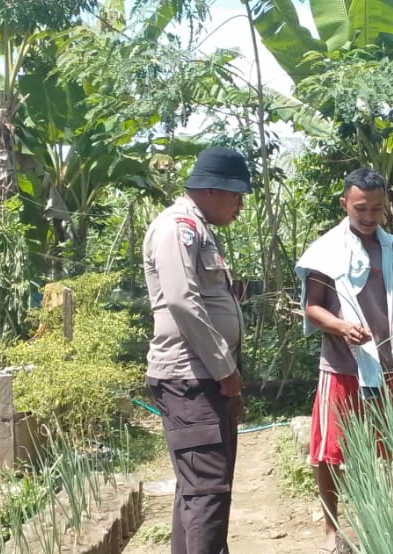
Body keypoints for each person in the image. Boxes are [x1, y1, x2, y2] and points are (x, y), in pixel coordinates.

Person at [296, 167, 393, 554]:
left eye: (377, 209)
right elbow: (312, 307)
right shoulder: (325, 250)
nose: (368, 218)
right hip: (342, 365)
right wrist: (340, 326)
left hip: (387, 364)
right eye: (360, 208)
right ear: (344, 204)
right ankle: (332, 532)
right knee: (330, 453)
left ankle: (383, 518)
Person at [143, 146, 251, 554]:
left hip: (203, 377)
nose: (239, 205)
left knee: (199, 491)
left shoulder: (198, 228)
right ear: (210, 189)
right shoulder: (177, 227)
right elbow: (182, 302)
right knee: (207, 491)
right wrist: (225, 370)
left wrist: (227, 377)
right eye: (236, 195)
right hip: (191, 378)